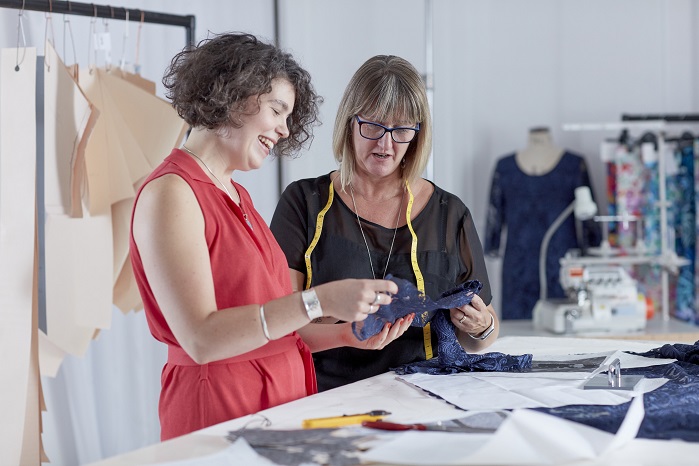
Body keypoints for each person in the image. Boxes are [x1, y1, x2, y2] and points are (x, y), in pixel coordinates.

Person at [129, 33, 398, 441]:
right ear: (233, 93)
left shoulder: (238, 195)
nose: (286, 130)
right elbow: (202, 338)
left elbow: (275, 325)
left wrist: (348, 334)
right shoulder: (172, 193)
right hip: (219, 406)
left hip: (277, 404)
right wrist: (320, 300)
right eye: (277, 110)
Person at [270, 55, 499, 392]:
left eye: (402, 129)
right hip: (325, 397)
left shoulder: (450, 213)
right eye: (373, 126)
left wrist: (481, 327)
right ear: (350, 122)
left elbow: (483, 337)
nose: (386, 144)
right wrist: (340, 322)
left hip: (424, 397)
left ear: (418, 134)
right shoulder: (305, 203)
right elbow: (281, 323)